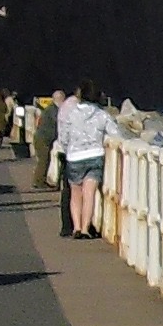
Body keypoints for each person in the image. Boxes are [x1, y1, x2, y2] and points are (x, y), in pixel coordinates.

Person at [55, 90, 110, 237]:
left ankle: (76, 227)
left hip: (74, 156)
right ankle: (86, 228)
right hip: (94, 155)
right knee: (89, 193)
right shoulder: (100, 113)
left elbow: (64, 135)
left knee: (75, 193)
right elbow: (114, 131)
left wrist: (67, 150)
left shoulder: (70, 111)